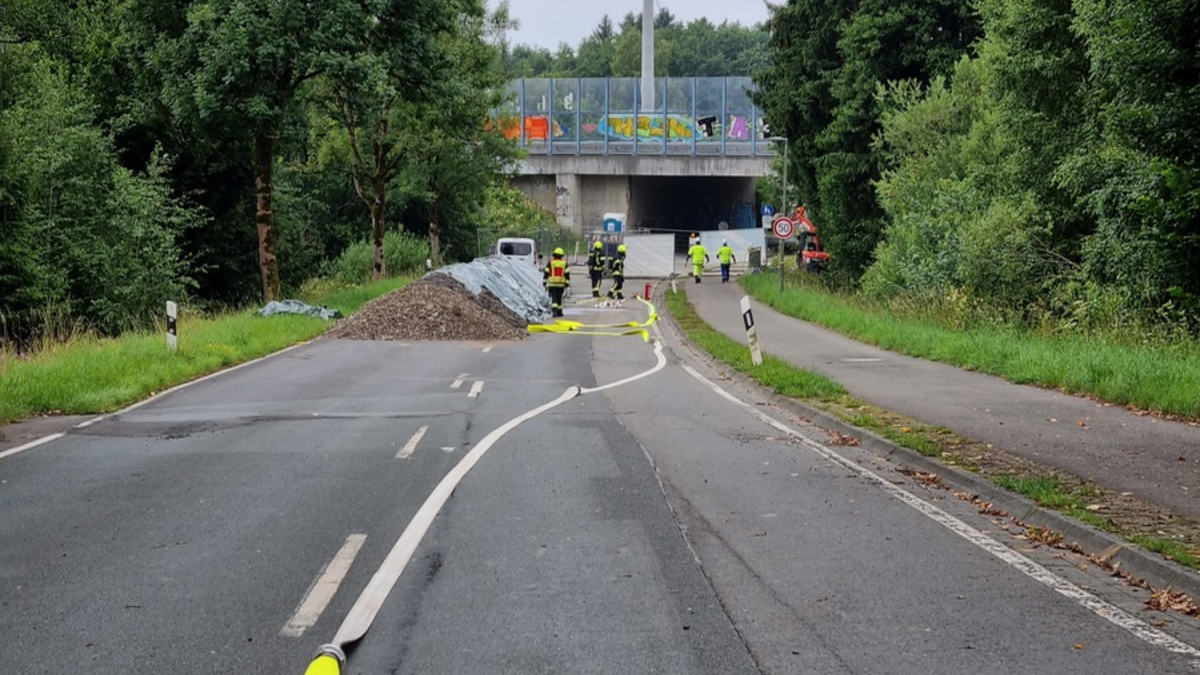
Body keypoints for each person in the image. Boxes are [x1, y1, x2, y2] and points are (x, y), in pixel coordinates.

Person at [543, 247, 570, 317]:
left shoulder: (550, 263)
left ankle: (554, 312)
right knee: (559, 298)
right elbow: (567, 274)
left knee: (554, 298)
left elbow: (546, 273)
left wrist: (544, 282)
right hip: (561, 284)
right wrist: (567, 283)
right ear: (561, 256)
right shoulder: (564, 264)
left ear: (554, 255)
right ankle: (559, 312)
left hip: (552, 284)